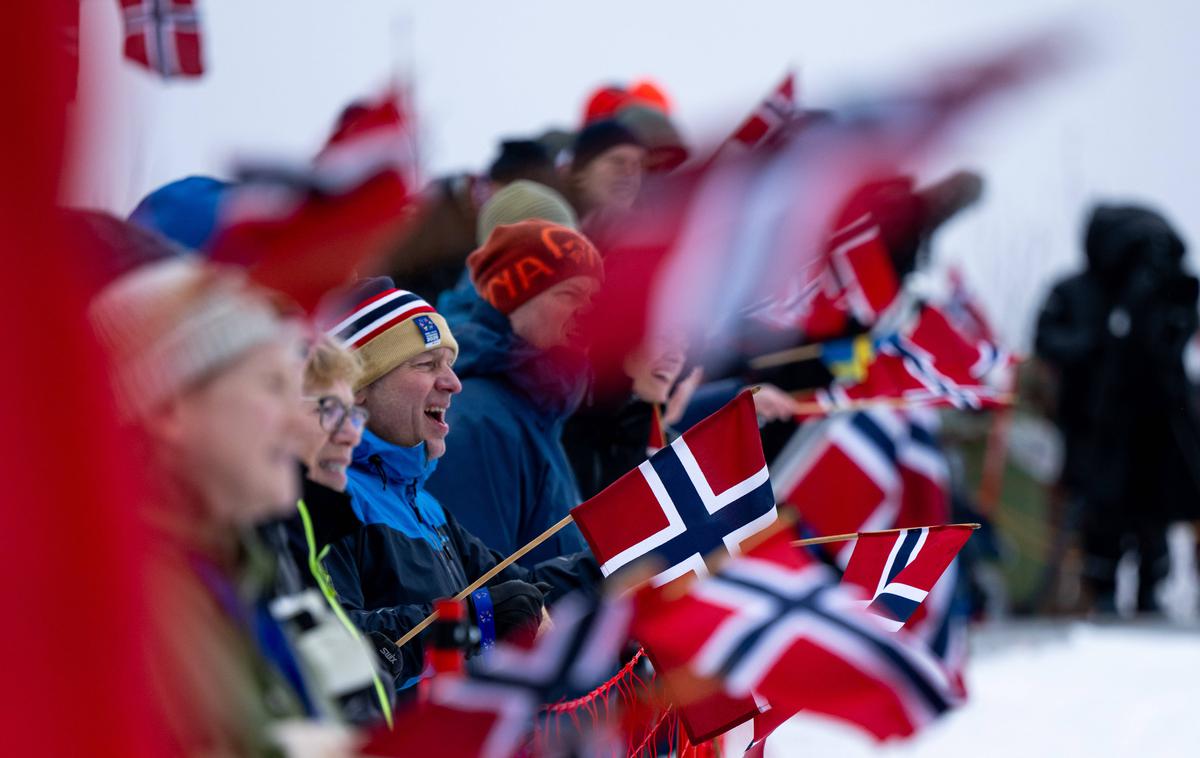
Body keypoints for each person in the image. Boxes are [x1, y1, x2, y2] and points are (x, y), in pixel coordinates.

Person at [322, 279, 601, 695]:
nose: (453, 382)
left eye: (449, 363)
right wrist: (477, 622)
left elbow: (519, 593)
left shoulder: (424, 505)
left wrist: (616, 561)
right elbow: (335, 652)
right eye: (426, 364)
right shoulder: (330, 500)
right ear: (359, 389)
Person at [88, 257, 321, 754]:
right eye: (272, 385)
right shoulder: (126, 610)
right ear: (170, 409)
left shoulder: (233, 569)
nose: (302, 425)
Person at [1035, 203, 1200, 614]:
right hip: (1097, 425)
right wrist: (1095, 345)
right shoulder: (1076, 290)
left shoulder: (1162, 287)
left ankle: (1150, 591)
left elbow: (1178, 345)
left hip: (1156, 425)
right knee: (1101, 515)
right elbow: (1047, 339)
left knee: (1153, 517)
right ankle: (1101, 594)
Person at [425, 220, 603, 563]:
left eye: (595, 298)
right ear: (512, 297)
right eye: (570, 294)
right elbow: (482, 589)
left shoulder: (540, 407)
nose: (588, 312)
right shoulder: (476, 421)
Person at [564, 119, 645, 224]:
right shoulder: (549, 228)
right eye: (617, 162)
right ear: (579, 175)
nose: (629, 172)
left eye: (636, 165)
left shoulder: (658, 234)